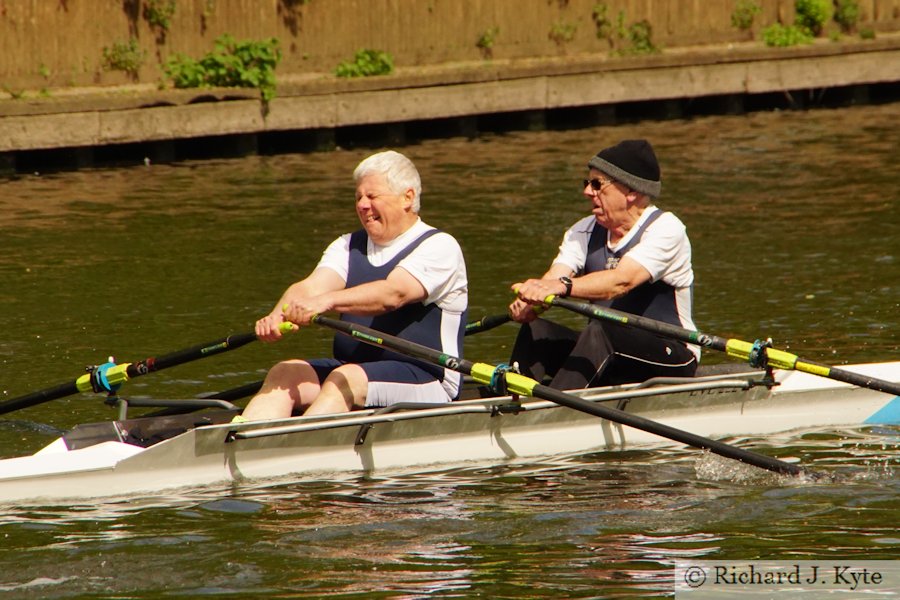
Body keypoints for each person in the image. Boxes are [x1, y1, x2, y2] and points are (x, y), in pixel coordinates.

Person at [240, 150, 468, 420]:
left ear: (407, 197)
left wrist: (327, 302)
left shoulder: (439, 246)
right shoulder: (348, 245)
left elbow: (392, 294)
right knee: (284, 373)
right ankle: (240, 443)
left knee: (343, 379)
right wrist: (277, 315)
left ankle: (295, 448)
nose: (362, 204)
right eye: (358, 197)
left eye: (372, 196)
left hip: (428, 379)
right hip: (354, 371)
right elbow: (311, 287)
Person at [508, 139, 699, 390]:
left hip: (671, 356)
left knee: (602, 330)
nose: (587, 191)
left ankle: (553, 415)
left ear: (631, 191)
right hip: (610, 352)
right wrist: (532, 301)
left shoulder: (666, 229)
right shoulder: (584, 230)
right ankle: (507, 403)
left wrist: (560, 287)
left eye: (597, 184)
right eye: (587, 183)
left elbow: (621, 281)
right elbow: (555, 277)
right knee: (537, 331)